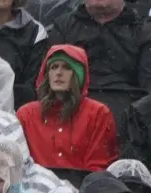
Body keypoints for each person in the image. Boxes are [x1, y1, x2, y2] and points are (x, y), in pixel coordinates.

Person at [11, 45, 118, 174]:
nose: (58, 73)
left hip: (82, 190)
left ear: (79, 75)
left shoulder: (98, 113)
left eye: (67, 67)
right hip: (34, 190)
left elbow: (98, 168)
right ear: (47, 74)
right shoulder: (26, 114)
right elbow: (17, 165)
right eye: (53, 67)